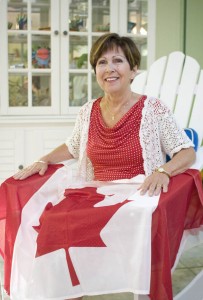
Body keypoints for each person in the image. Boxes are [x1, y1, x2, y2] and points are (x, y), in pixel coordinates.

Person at [11, 33, 195, 300]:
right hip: (95, 191)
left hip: (136, 193)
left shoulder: (153, 109)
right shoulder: (88, 110)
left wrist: (163, 170)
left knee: (129, 217)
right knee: (53, 221)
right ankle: (66, 292)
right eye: (101, 62)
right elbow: (73, 146)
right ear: (95, 70)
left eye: (118, 61)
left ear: (133, 70)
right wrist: (44, 159)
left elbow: (186, 152)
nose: (109, 68)